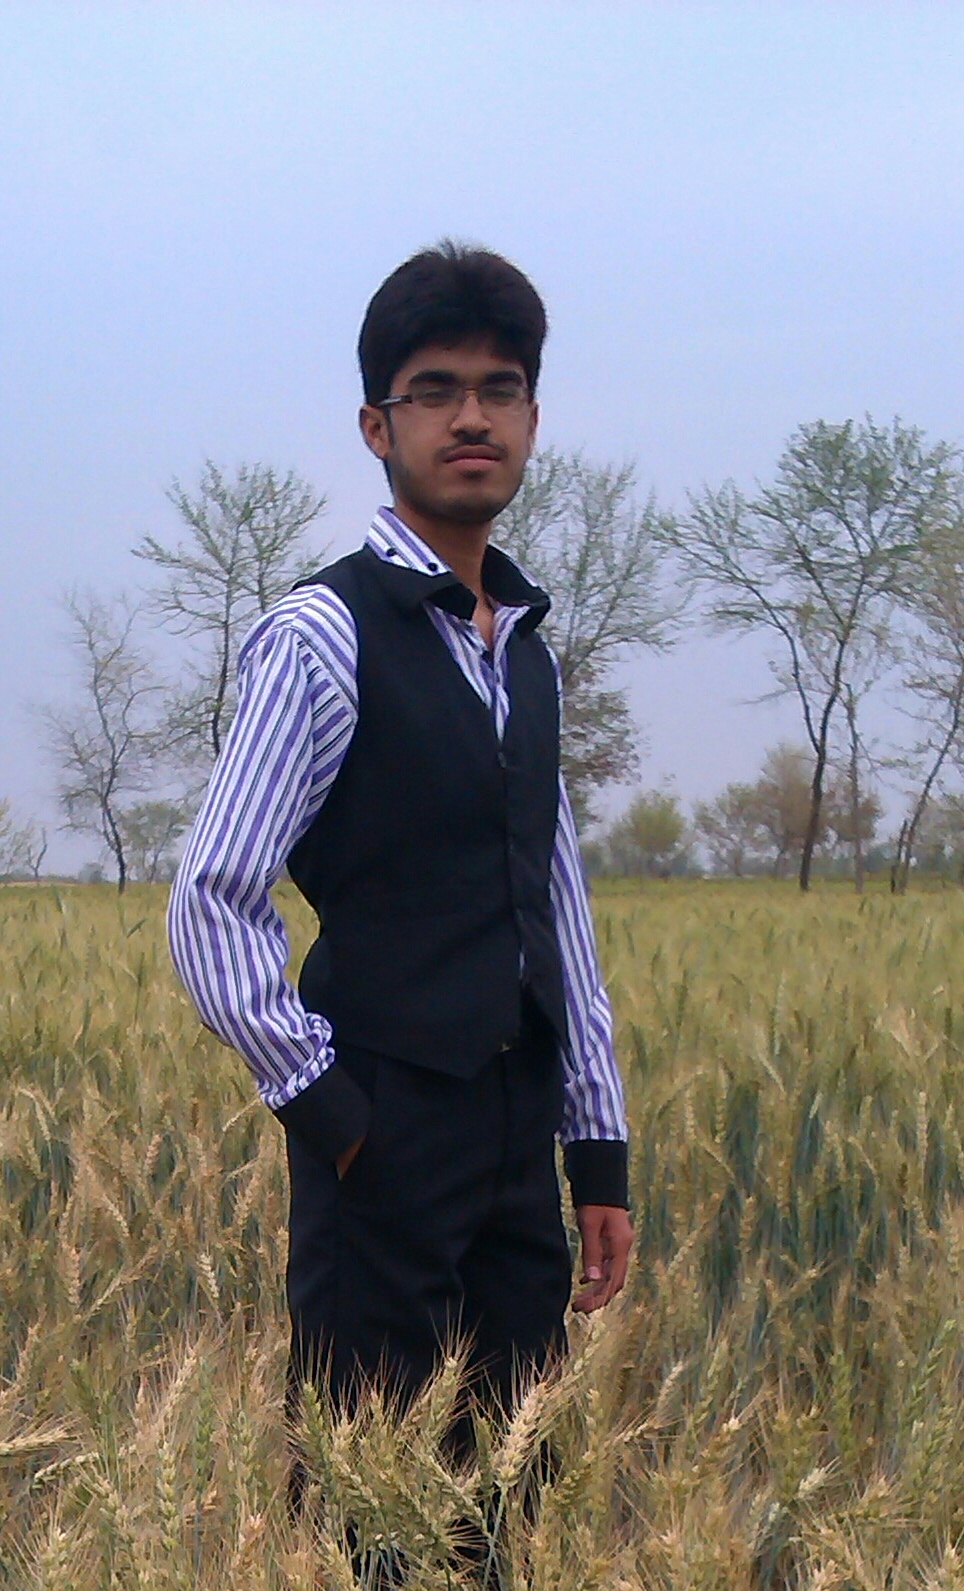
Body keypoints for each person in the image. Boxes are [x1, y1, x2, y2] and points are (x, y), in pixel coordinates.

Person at [168, 240, 633, 1444]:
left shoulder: (524, 652)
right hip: (381, 1132)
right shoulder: (321, 636)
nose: (471, 417)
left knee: (512, 1487)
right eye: (435, 390)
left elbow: (557, 911)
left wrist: (596, 1150)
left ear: (532, 419)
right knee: (364, 1489)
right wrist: (328, 1108)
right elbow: (212, 896)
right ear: (378, 425)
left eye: (499, 388)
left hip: (517, 1139)